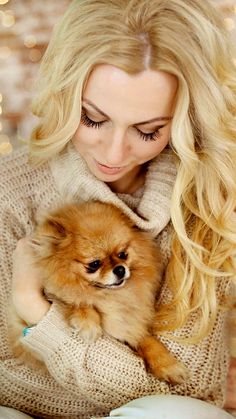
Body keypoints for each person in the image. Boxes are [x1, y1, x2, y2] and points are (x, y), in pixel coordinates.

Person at [0, 0, 235, 418]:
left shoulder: (204, 199)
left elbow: (189, 391)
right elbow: (5, 372)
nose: (114, 152)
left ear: (184, 117)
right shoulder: (9, 189)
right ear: (64, 94)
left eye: (148, 130)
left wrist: (32, 306)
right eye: (92, 119)